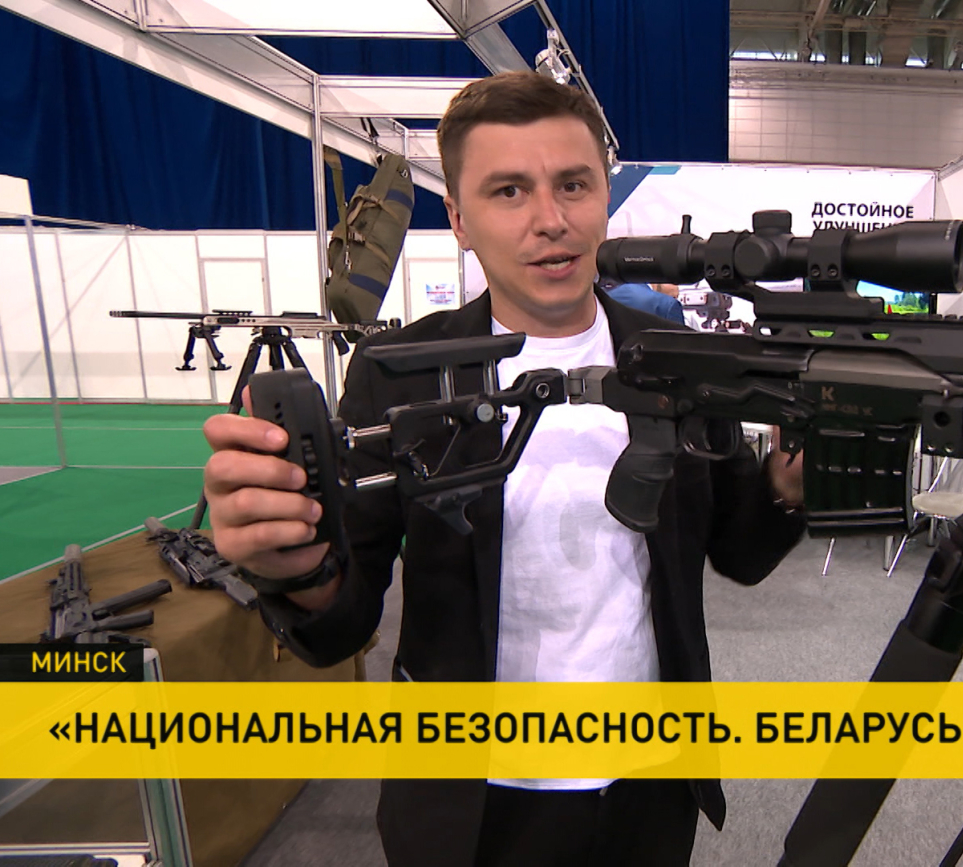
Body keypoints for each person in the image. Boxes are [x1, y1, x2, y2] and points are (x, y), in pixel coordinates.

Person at [202, 70, 806, 866]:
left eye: (573, 185)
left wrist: (789, 486)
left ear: (603, 199)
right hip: (471, 800)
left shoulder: (680, 360)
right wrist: (296, 568)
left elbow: (741, 551)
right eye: (509, 191)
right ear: (459, 218)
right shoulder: (400, 372)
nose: (550, 219)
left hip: (650, 783)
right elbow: (343, 620)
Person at [603, 281, 686, 324]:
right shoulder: (668, 305)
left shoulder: (611, 294)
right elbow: (680, 345)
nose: (677, 290)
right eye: (676, 283)